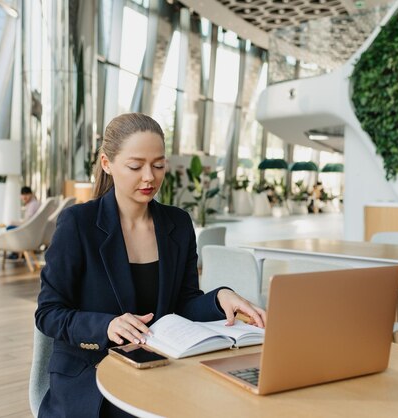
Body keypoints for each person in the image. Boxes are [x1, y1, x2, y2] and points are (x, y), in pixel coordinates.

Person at [35, 113, 266, 417]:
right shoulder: (78, 224)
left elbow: (183, 302)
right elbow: (49, 314)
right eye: (135, 166)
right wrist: (107, 325)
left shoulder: (177, 224)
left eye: (158, 165)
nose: (149, 177)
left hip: (162, 370)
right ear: (107, 163)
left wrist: (220, 297)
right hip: (93, 380)